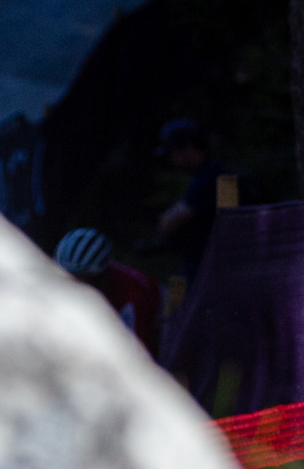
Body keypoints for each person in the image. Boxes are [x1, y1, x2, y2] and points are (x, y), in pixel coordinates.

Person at [54, 227, 162, 357]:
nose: (74, 288)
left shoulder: (131, 297)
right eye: (67, 279)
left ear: (101, 277)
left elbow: (136, 356)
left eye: (82, 280)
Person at [152, 118, 231, 279]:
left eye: (173, 153)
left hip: (208, 270)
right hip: (217, 267)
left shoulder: (209, 179)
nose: (172, 161)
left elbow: (170, 222)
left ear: (188, 149)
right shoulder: (216, 173)